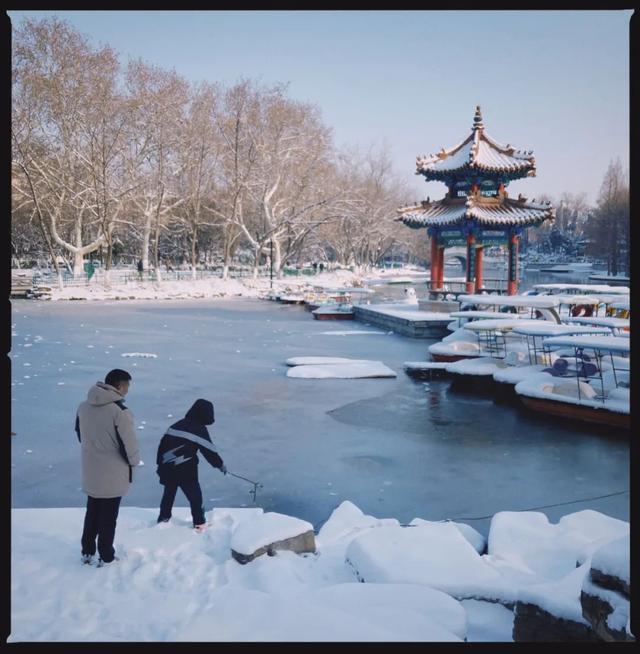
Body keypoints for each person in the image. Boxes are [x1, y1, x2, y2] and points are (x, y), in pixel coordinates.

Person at [75, 369, 141, 567]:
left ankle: (87, 551)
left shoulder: (83, 406)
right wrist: (134, 462)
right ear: (119, 386)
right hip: (113, 473)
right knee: (108, 517)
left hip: (91, 469)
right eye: (127, 385)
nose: (128, 389)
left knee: (93, 511)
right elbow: (129, 445)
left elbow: (79, 434)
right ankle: (106, 555)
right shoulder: (120, 412)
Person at [156, 399, 226, 532]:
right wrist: (220, 465)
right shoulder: (199, 429)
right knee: (195, 497)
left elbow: (161, 446)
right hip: (186, 470)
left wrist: (160, 466)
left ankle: (163, 519)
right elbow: (209, 451)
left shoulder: (176, 426)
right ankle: (199, 523)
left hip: (167, 467)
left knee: (168, 494)